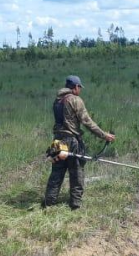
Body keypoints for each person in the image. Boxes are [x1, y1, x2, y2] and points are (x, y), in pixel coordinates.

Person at [43, 75, 115, 210]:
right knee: (76, 173)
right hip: (71, 141)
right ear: (75, 87)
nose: (80, 90)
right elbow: (87, 122)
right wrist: (104, 135)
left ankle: (49, 203)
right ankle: (75, 205)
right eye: (79, 87)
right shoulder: (75, 100)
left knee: (56, 173)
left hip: (57, 141)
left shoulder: (57, 101)